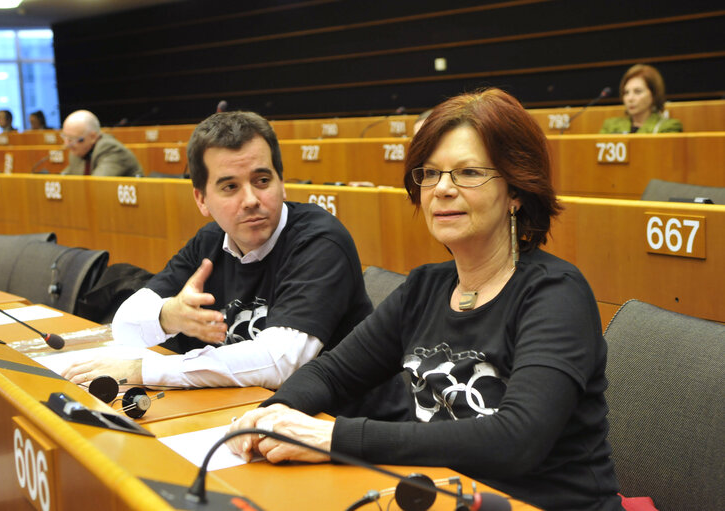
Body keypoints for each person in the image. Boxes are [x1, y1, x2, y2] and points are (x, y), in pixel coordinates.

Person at [228, 89, 623, 511]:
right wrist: (274, 414)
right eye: (430, 173)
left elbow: (516, 440)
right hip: (442, 499)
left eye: (468, 173)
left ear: (516, 192)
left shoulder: (556, 294)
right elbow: (332, 375)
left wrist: (333, 439)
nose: (442, 189)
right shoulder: (425, 288)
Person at [62, 111, 374, 392]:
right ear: (201, 199)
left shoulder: (319, 241)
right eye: (230, 187)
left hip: (340, 427)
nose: (251, 199)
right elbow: (125, 324)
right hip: (252, 413)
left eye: (262, 180)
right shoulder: (211, 240)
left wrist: (144, 369)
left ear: (282, 183)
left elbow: (279, 362)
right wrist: (168, 316)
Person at [600, 64, 682, 134]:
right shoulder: (610, 126)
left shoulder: (669, 127)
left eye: (637, 92)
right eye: (626, 92)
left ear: (653, 94)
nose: (630, 98)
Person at [59, 110, 143, 177]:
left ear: (93, 137)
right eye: (65, 137)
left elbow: (97, 185)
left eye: (72, 139)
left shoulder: (111, 149)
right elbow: (67, 179)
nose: (67, 144)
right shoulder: (78, 151)